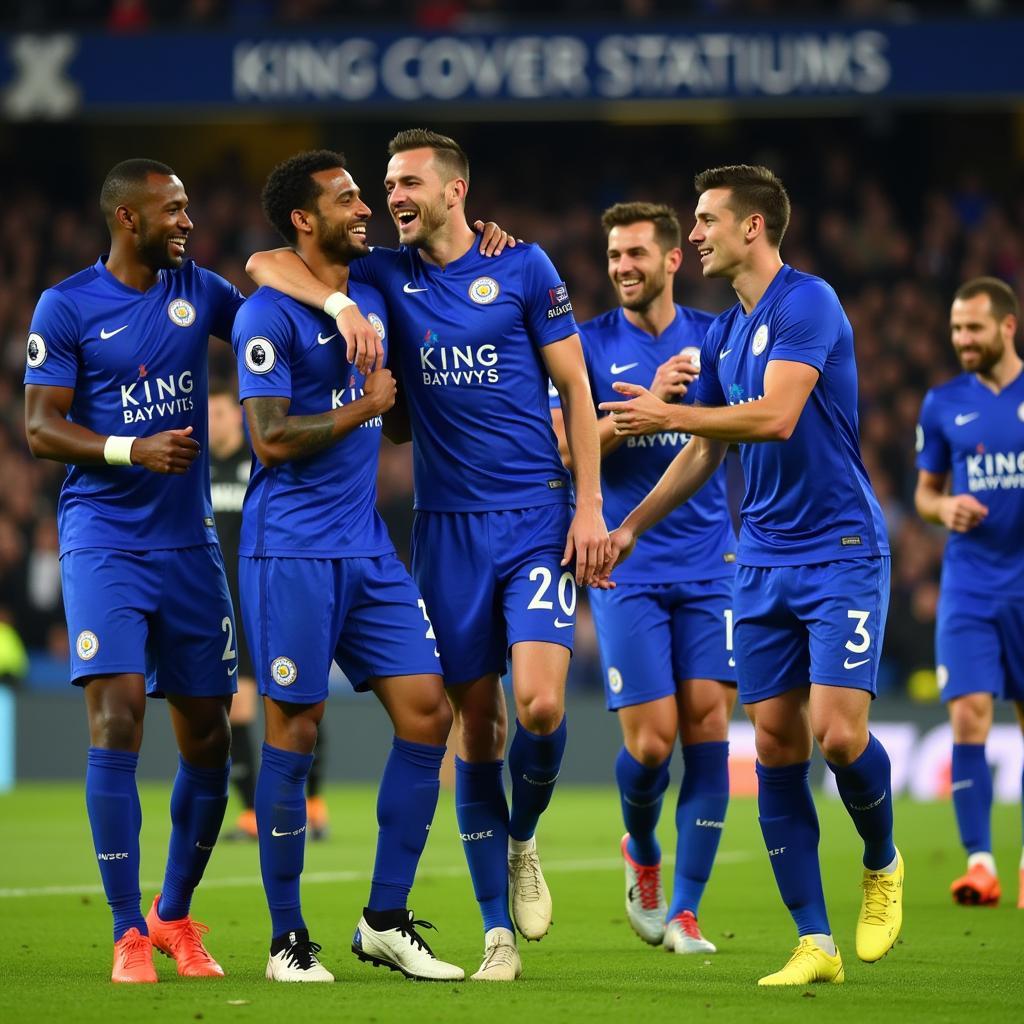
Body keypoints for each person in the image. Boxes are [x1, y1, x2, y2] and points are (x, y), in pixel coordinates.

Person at [246, 128, 608, 981]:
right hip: (442, 531)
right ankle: (493, 936)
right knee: (467, 725)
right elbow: (268, 264)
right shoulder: (378, 276)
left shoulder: (522, 267)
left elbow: (577, 388)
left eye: (405, 183)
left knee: (543, 706)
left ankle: (521, 838)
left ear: (456, 190)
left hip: (534, 521)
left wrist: (590, 505)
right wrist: (337, 306)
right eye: (378, 186)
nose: (387, 198)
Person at [597, 164, 902, 986]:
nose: (693, 234)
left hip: (838, 548)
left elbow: (774, 417)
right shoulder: (724, 334)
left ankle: (882, 860)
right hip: (760, 559)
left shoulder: (808, 302)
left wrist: (666, 412)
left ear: (753, 227)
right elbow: (706, 450)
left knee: (838, 735)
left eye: (704, 220)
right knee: (772, 741)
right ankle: (815, 943)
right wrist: (629, 526)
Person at [235, 149, 463, 983]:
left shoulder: (372, 288)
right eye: (346, 198)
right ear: (305, 217)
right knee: (294, 729)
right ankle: (287, 940)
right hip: (290, 548)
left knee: (428, 714)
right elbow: (268, 438)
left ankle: (385, 919)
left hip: (367, 547)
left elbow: (445, 244)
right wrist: (365, 406)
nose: (365, 207)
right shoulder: (269, 316)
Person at [23, 159, 244, 983]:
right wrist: (130, 448)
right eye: (174, 211)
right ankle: (124, 931)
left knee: (211, 737)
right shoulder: (67, 304)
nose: (188, 223)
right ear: (128, 219)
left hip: (188, 546)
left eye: (188, 209)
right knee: (117, 719)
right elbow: (41, 429)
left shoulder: (200, 288)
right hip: (103, 538)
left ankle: (175, 916)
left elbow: (270, 319)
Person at [549, 202, 736, 953]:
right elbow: (568, 453)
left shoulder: (715, 338)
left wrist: (685, 413)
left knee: (711, 725)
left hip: (711, 562)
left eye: (636, 254)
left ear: (671, 260)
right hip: (624, 564)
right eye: (614, 255)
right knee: (654, 745)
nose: (622, 266)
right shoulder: (585, 346)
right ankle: (641, 848)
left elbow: (730, 432)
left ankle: (686, 912)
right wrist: (644, 412)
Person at [914, 276, 1024, 909]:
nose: (962, 340)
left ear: (1007, 327)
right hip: (971, 585)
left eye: (974, 329)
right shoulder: (942, 403)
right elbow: (926, 492)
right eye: (956, 329)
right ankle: (980, 864)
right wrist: (944, 506)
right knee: (967, 716)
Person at [208, 381, 330, 842]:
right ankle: (252, 812)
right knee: (237, 708)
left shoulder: (261, 459)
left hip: (274, 595)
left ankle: (313, 803)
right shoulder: (198, 468)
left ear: (236, 417)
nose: (212, 421)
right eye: (209, 414)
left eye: (220, 414)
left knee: (299, 694)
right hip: (227, 605)